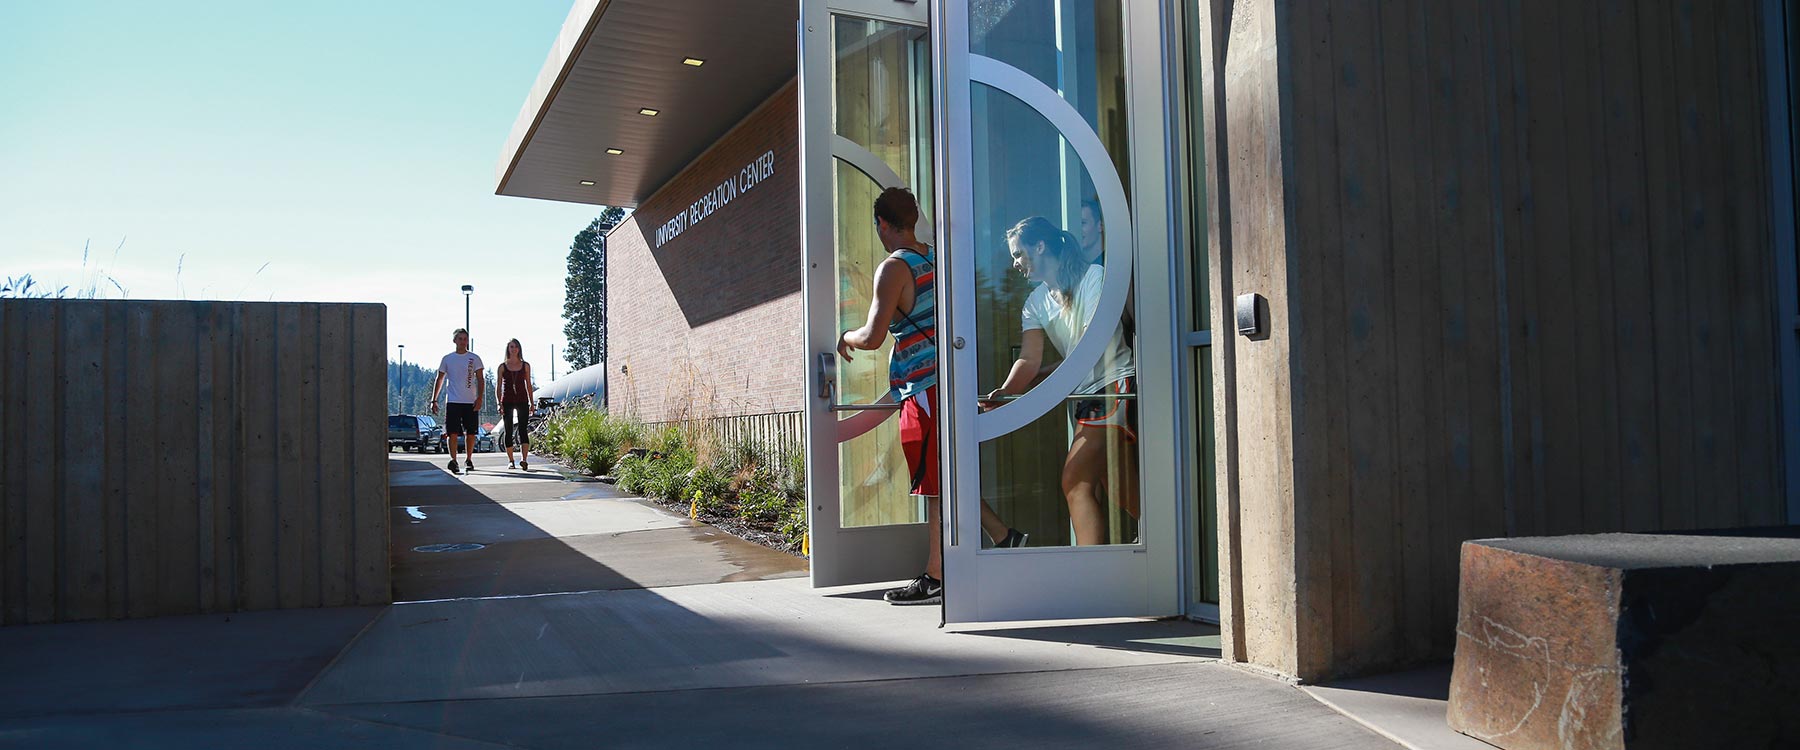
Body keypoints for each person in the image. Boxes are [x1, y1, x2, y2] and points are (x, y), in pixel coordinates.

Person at [838, 187, 1025, 607]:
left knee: (935, 483)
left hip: (923, 388)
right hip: (951, 381)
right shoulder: (938, 257)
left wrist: (844, 337)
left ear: (883, 224)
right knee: (946, 476)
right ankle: (1004, 537)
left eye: (878, 227)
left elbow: (871, 337)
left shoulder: (894, 268)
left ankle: (938, 575)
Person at [985, 216, 1139, 545]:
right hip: (1083, 397)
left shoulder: (1094, 277)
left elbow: (1090, 343)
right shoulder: (1034, 303)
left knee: (1075, 480)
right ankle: (1166, 538)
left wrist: (1046, 377)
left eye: (1017, 254)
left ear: (1040, 247)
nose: (1014, 264)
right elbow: (1029, 360)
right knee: (1118, 484)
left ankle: (1089, 574)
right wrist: (1005, 392)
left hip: (1112, 387)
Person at [429, 328, 485, 475]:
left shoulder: (474, 358)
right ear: (455, 341)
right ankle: (453, 460)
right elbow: (439, 379)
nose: (463, 341)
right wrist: (433, 400)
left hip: (470, 401)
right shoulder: (447, 359)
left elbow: (480, 379)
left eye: (465, 339)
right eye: (460, 338)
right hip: (453, 401)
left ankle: (468, 459)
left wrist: (479, 398)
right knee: (452, 432)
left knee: (470, 433)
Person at [496, 338, 534, 471]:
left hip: (522, 400)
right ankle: (511, 460)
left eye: (516, 346)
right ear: (508, 349)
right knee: (508, 430)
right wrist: (499, 403)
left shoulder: (525, 366)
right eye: (512, 347)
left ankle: (524, 460)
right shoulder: (502, 366)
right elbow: (499, 386)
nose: (514, 349)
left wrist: (532, 402)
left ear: (519, 349)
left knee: (523, 429)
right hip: (507, 401)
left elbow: (528, 384)